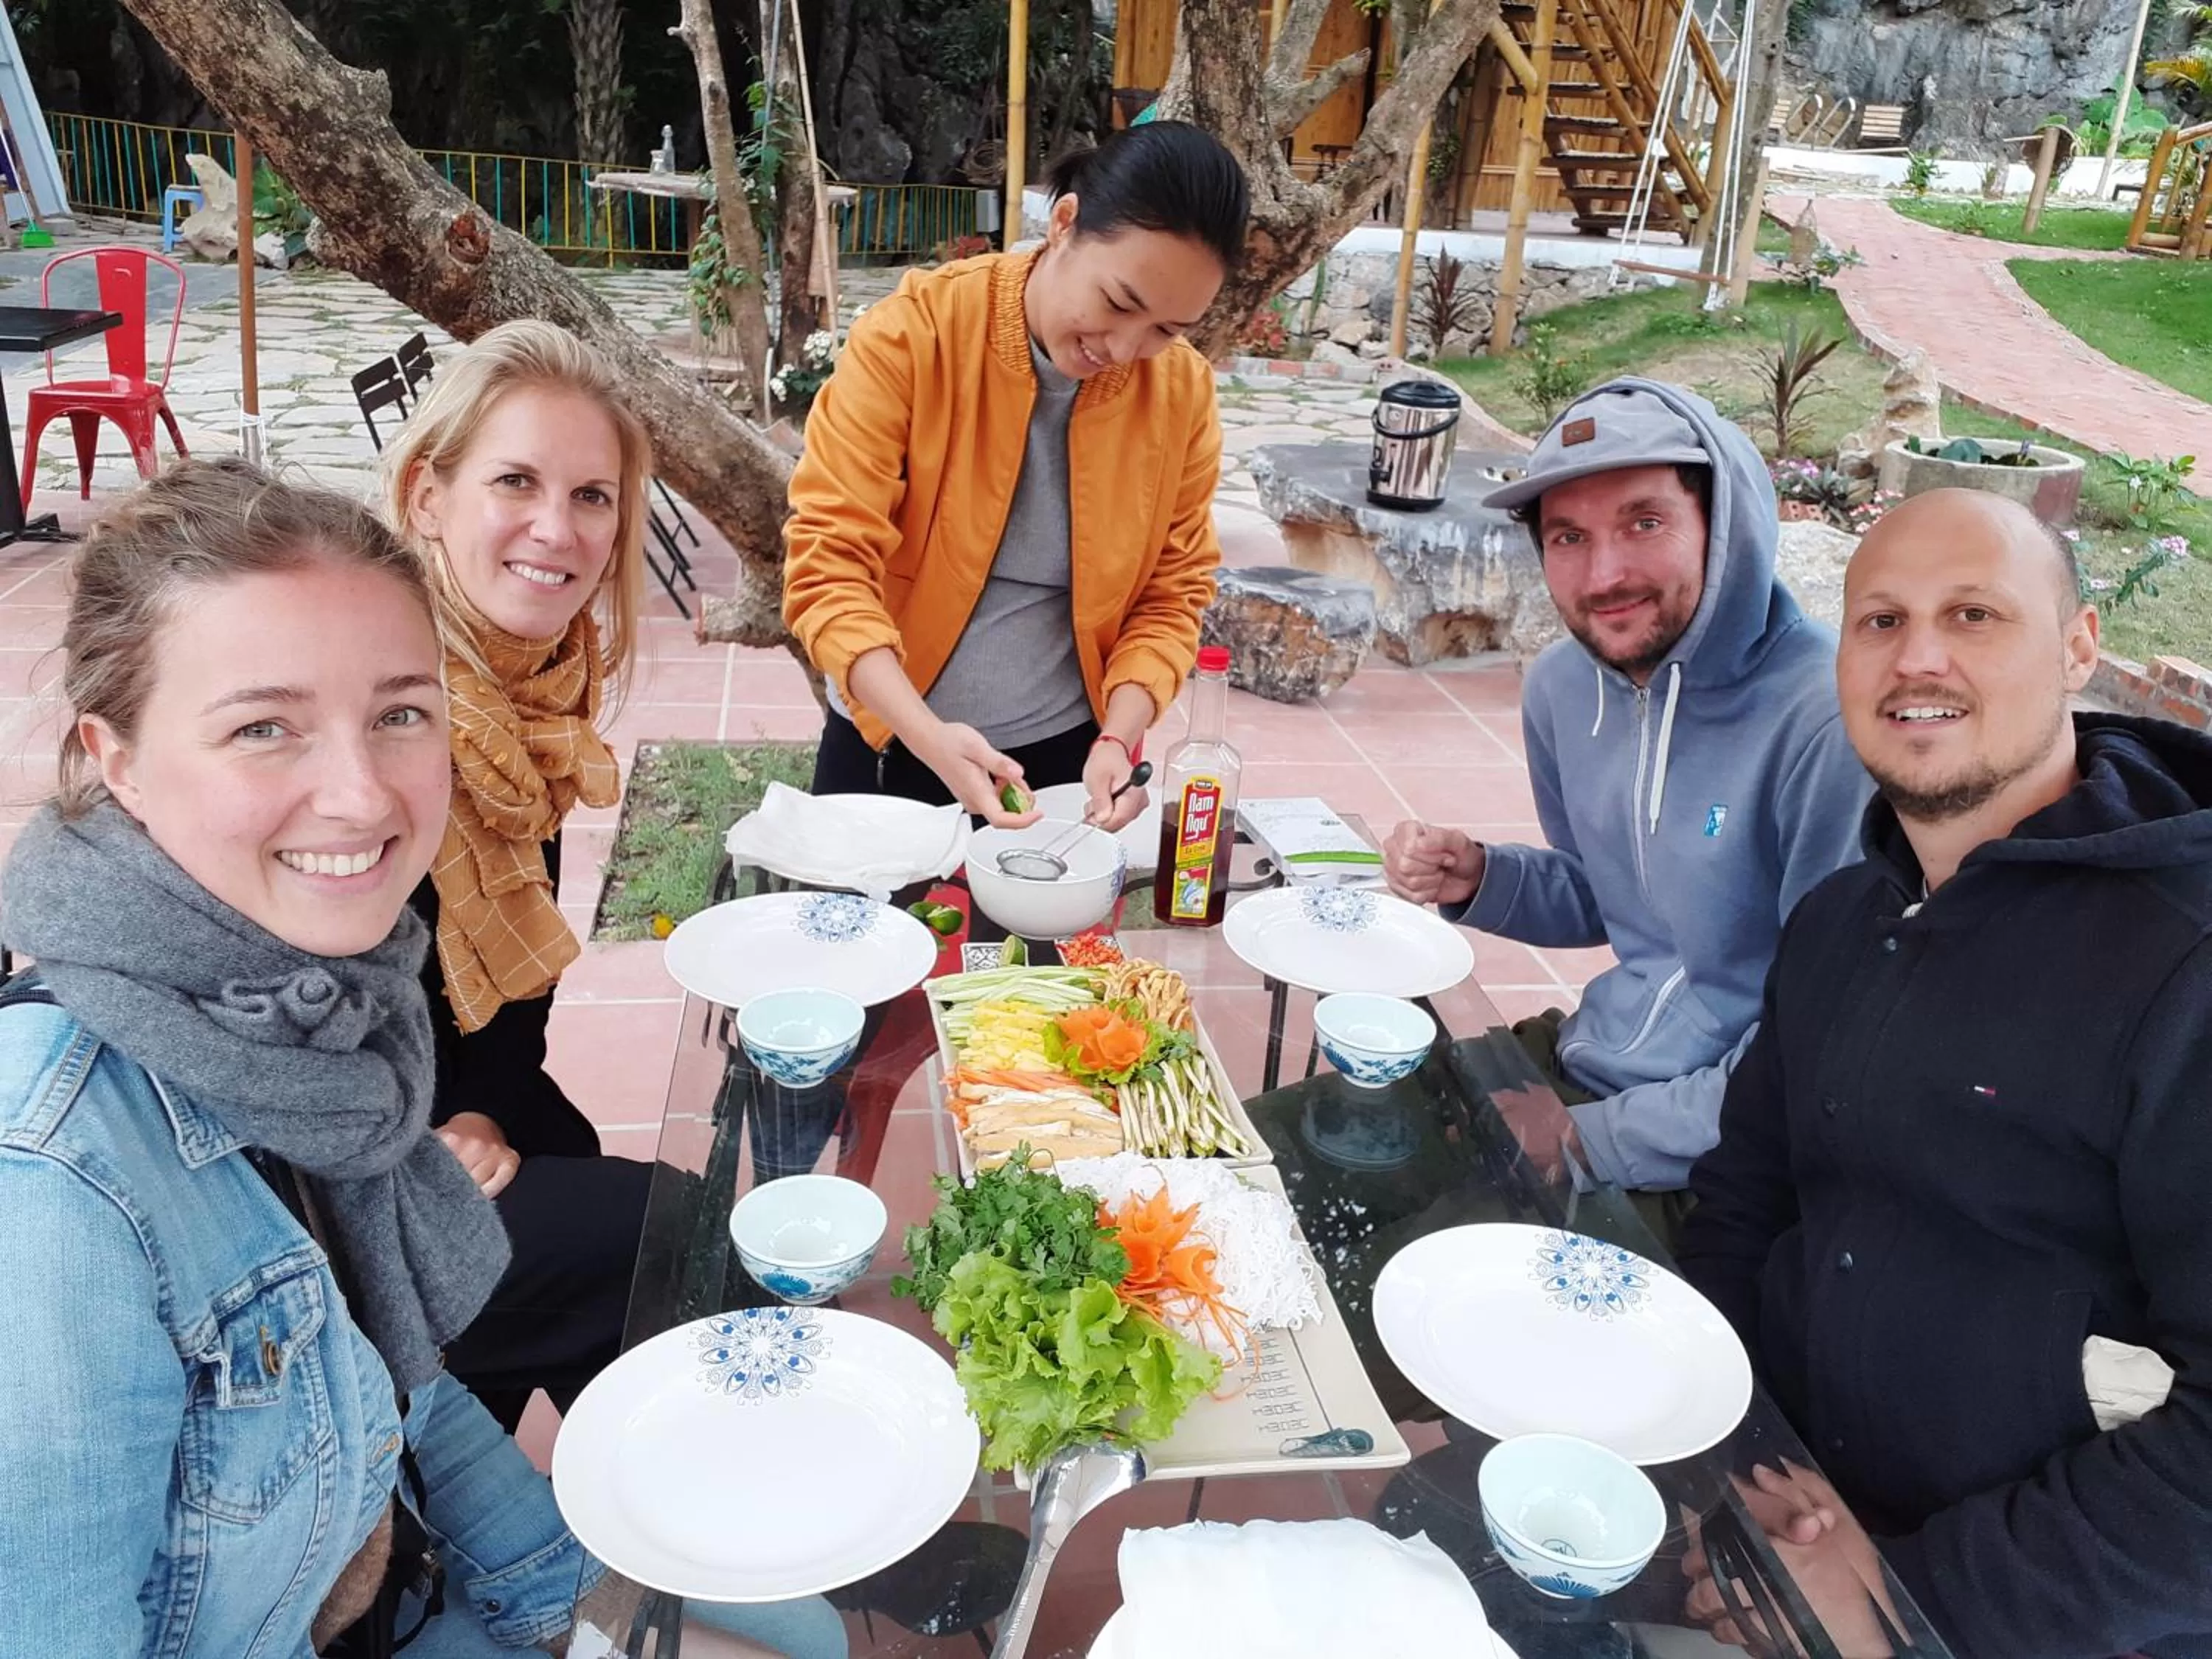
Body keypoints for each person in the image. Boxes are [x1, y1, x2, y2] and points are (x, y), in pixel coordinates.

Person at [0, 461, 586, 1657]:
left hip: (382, 1562)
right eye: (264, 727)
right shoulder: (51, 1190)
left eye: (400, 712)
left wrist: (583, 1616)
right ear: (114, 758)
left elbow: (395, 1389)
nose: (363, 792)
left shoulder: (302, 1005)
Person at [1677, 489, 2212, 1658]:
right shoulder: (1838, 917)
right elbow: (1744, 1198)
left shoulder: (2187, 966)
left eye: (1975, 614)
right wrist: (1718, 1465)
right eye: (1879, 620)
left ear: (2080, 647)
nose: (1918, 656)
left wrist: (1907, 1601)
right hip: (1790, 1500)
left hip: (2029, 1611)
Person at [1382, 378, 1870, 1216]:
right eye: (1569, 536)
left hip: (1723, 1151)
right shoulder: (1566, 687)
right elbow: (1613, 897)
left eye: (1645, 522)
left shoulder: (1828, 721)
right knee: (1309, 1154)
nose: (1604, 574)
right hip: (1591, 1057)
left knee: (1394, 1282)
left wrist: (1587, 1139)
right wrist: (1481, 879)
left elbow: (1824, 1055)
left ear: (1725, 522)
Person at [782, 120, 1249, 831]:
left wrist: (1120, 737)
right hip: (892, 741)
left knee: (1040, 950)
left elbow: (1170, 593)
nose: (1124, 349)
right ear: (1063, 224)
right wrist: (927, 737)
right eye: (1120, 302)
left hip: (1067, 768)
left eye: (1166, 331)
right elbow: (829, 568)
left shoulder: (1180, 395)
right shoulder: (913, 336)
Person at [381, 319, 656, 1433]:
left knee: (562, 1146)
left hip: (441, 1089)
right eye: (516, 481)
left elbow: (509, 996)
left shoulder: (527, 702)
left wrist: (485, 1104)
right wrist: (438, 1123)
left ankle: (500, 1488)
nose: (560, 528)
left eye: (593, 496)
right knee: (659, 1237)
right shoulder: (387, 703)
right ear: (427, 494)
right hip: (310, 1164)